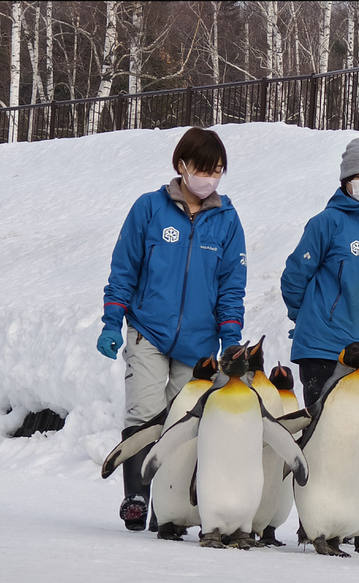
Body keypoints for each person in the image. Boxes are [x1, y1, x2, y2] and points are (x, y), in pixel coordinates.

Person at [96, 126, 247, 531]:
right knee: (145, 412)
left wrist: (231, 338)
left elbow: (232, 286)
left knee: (184, 423)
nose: (209, 178)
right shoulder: (149, 208)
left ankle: (172, 508)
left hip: (199, 344)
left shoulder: (228, 222)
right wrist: (113, 320)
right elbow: (124, 269)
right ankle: (136, 498)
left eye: (217, 170)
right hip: (148, 330)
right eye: (203, 168)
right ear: (182, 165)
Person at [280, 137, 359, 417]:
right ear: (346, 180)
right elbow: (294, 277)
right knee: (324, 437)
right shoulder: (326, 223)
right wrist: (310, 317)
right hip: (326, 351)